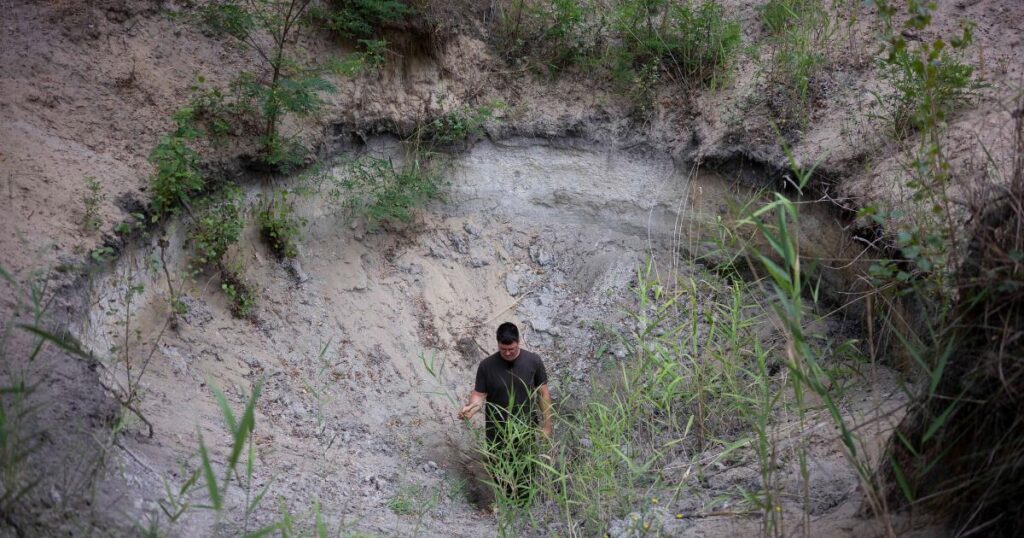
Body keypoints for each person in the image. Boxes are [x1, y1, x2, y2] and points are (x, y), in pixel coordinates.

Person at [458, 322, 552, 503]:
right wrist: (471, 408)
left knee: (526, 471)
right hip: (497, 432)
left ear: (518, 342)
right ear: (498, 344)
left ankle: (525, 507)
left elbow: (543, 394)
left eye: (511, 349)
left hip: (526, 429)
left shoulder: (533, 361)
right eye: (503, 349)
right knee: (500, 472)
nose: (507, 353)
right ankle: (505, 505)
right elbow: (479, 395)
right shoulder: (486, 366)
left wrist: (547, 425)